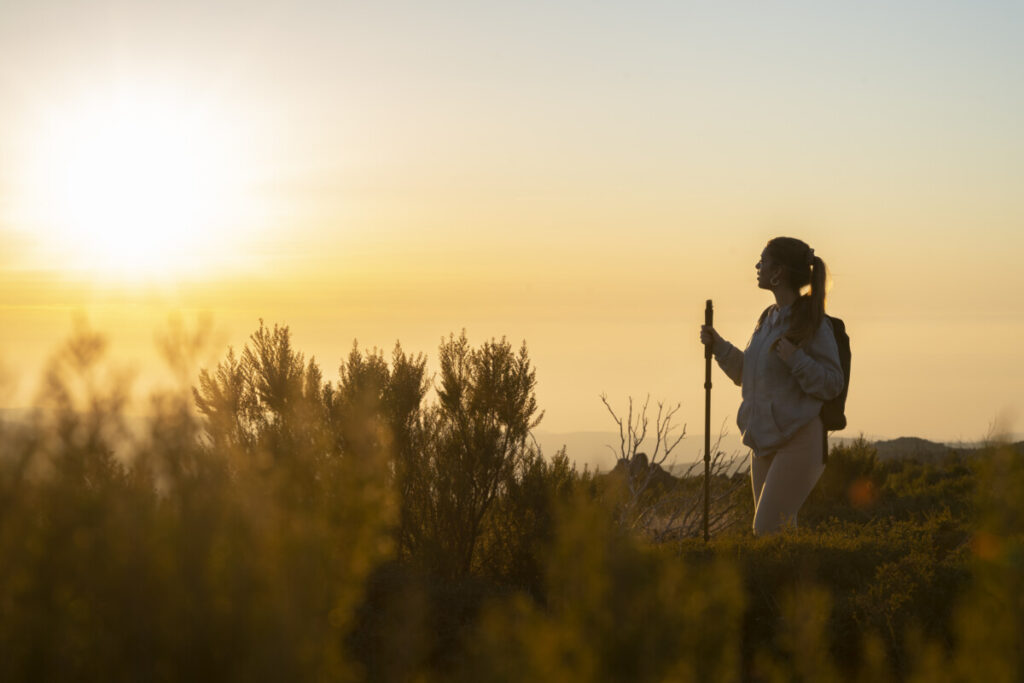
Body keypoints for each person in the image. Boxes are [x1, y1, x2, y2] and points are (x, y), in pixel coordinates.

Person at [700, 237, 844, 535]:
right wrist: (718, 346)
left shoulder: (814, 323)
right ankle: (797, 583)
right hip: (763, 440)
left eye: (762, 262)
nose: (757, 266)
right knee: (779, 536)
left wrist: (798, 361)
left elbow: (833, 384)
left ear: (778, 273)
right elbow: (747, 375)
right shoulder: (767, 319)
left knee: (766, 530)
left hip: (800, 439)